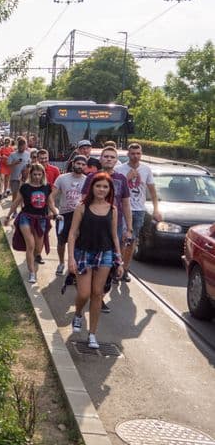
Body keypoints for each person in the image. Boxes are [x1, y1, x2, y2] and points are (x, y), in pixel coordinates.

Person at [68, 172, 123, 349]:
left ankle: (92, 334)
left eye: (105, 187)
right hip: (84, 253)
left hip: (105, 254)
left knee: (97, 293)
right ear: (92, 187)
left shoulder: (113, 209)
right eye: (98, 186)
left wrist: (119, 260)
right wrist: (71, 258)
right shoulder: (82, 207)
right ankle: (77, 314)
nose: (101, 189)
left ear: (109, 190)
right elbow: (72, 233)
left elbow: (114, 235)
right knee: (84, 293)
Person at [80, 146, 132, 313]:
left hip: (114, 228)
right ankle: (87, 292)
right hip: (93, 227)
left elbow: (125, 203)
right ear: (101, 159)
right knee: (91, 262)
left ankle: (100, 296)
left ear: (116, 161)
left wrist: (128, 228)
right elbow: (83, 200)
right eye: (106, 156)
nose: (109, 159)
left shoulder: (121, 179)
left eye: (112, 157)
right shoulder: (91, 177)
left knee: (108, 266)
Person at [5, 163, 59, 284]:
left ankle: (35, 260)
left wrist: (56, 213)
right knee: (30, 245)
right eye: (34, 174)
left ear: (43, 174)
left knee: (38, 248)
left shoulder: (47, 187)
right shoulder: (25, 187)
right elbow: (16, 202)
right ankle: (32, 272)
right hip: (26, 217)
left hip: (41, 218)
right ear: (30, 174)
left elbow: (50, 202)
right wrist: (8, 216)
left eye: (39, 174)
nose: (37, 177)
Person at [115, 142, 162, 281]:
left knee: (132, 240)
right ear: (128, 154)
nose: (135, 156)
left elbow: (152, 191)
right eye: (133, 153)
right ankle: (117, 267)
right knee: (122, 239)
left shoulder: (146, 169)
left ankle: (125, 269)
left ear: (141, 154)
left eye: (138, 154)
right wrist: (127, 178)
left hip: (139, 210)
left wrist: (156, 209)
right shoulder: (119, 169)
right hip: (123, 209)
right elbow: (115, 189)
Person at [50, 155, 88, 275]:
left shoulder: (88, 180)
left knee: (77, 242)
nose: (80, 166)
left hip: (79, 216)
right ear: (73, 164)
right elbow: (51, 196)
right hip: (63, 215)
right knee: (61, 241)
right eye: (78, 164)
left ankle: (74, 265)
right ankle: (61, 262)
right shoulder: (62, 178)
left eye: (83, 164)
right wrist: (54, 211)